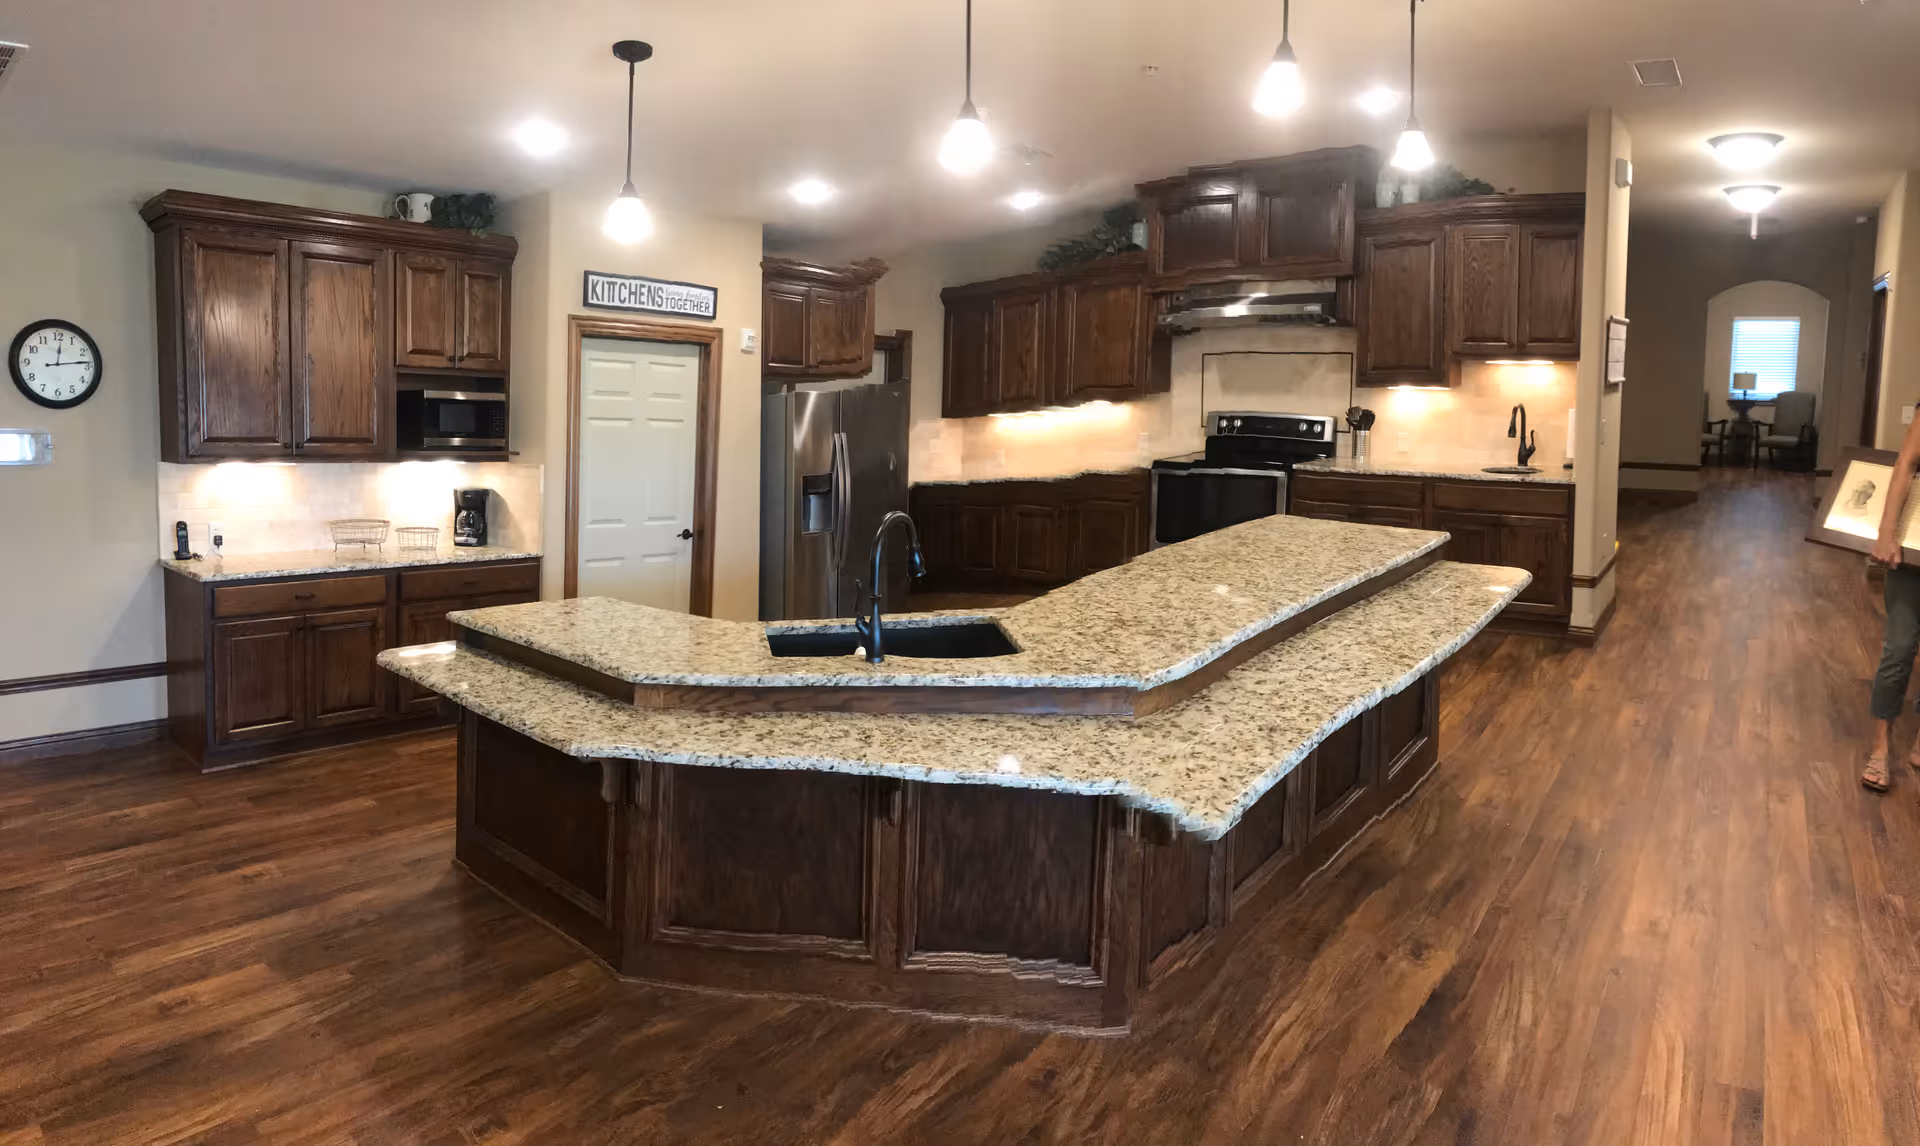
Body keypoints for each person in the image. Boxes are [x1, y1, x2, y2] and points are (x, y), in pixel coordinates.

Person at [1867, 418, 1920, 791]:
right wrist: (1887, 532)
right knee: (1900, 646)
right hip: (1915, 545)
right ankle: (1880, 745)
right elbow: (1906, 462)